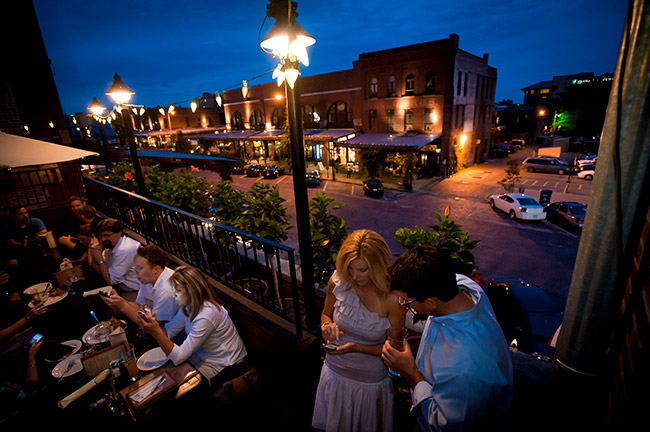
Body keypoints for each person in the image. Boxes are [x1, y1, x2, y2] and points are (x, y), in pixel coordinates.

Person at [381, 246, 513, 432]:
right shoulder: (462, 287)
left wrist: (410, 371)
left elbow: (445, 425)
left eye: (406, 302)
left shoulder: (464, 365)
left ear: (431, 302)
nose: (403, 306)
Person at [312, 230, 406, 432]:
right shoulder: (338, 281)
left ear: (378, 266)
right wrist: (327, 327)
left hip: (369, 383)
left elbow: (395, 350)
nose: (355, 276)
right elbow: (326, 314)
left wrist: (357, 347)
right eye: (350, 268)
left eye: (363, 270)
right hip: (334, 374)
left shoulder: (393, 298)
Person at [140, 266, 247, 383]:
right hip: (204, 356)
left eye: (177, 291)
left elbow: (178, 358)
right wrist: (154, 325)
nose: (173, 295)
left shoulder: (207, 314)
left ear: (192, 290)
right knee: (166, 375)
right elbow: (169, 331)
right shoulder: (188, 307)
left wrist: (156, 332)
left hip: (224, 363)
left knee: (178, 383)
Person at [101, 244, 179, 324]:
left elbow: (154, 327)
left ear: (155, 269)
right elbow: (139, 306)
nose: (135, 272)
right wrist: (119, 300)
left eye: (139, 268)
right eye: (135, 268)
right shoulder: (147, 278)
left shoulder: (166, 289)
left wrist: (123, 305)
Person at [88, 218, 141, 298]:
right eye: (101, 235)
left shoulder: (125, 249)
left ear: (119, 233)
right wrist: (93, 253)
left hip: (136, 292)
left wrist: (99, 259)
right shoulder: (110, 248)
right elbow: (99, 270)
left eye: (107, 235)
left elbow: (111, 281)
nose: (103, 239)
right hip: (122, 289)